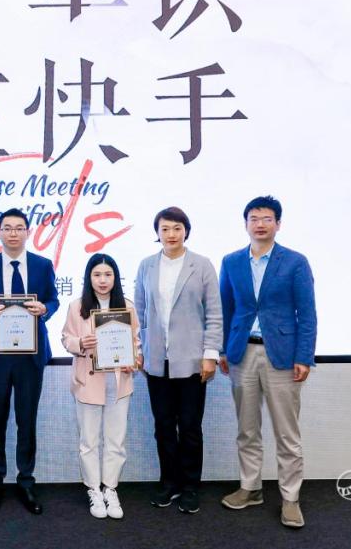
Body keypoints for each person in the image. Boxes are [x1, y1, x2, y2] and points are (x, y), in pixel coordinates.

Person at [218, 196, 316, 529]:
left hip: (283, 356)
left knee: (287, 433)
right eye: (254, 218)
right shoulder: (231, 261)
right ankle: (251, 488)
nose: (260, 224)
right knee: (247, 429)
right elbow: (226, 309)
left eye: (267, 219)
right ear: (245, 223)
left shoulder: (295, 262)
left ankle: (290, 498)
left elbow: (307, 313)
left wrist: (304, 356)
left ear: (278, 224)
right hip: (242, 352)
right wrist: (222, 350)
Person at [134, 206, 223, 515]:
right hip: (157, 360)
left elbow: (214, 313)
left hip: (192, 361)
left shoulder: (202, 265)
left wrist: (210, 355)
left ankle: (190, 486)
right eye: (165, 229)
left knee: (189, 427)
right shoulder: (146, 265)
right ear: (157, 233)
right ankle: (168, 483)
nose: (171, 234)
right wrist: (139, 348)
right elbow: (140, 312)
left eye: (176, 228)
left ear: (186, 231)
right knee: (162, 426)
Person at [0, 208, 59, 516]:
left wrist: (45, 309)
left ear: (27, 232)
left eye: (19, 228)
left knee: (27, 420)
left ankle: (26, 480)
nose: (13, 233)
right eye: (7, 228)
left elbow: (53, 299)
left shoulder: (42, 265)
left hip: (29, 355)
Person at [61, 253, 141, 520]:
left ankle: (110, 488)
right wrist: (80, 343)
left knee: (116, 440)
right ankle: (93, 489)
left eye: (108, 274)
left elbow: (136, 342)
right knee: (89, 441)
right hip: (89, 381)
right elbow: (66, 338)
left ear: (116, 278)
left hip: (118, 382)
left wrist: (134, 359)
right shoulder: (77, 306)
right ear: (89, 278)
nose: (103, 280)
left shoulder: (127, 307)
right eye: (97, 275)